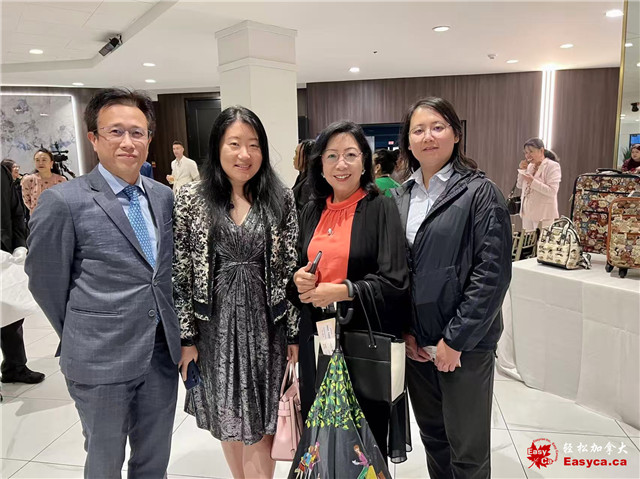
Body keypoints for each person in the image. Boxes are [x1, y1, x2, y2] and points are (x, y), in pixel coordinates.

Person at [25, 88, 180, 478]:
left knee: (154, 459)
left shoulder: (164, 197)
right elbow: (44, 281)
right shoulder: (64, 201)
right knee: (104, 461)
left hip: (159, 354)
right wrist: (82, 331)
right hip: (98, 359)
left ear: (149, 138)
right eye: (116, 132)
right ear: (93, 138)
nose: (128, 142)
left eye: (138, 132)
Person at [173, 106, 300, 479]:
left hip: (267, 328)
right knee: (226, 414)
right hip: (213, 330)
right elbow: (180, 272)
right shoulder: (191, 198)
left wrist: (293, 333)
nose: (245, 154)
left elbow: (290, 269)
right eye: (235, 144)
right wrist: (186, 338)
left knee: (263, 419)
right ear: (218, 147)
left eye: (254, 145)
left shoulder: (280, 198)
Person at [392, 97, 512, 478]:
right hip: (418, 347)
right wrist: (406, 331)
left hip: (464, 348)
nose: (428, 137)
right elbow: (398, 272)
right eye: (418, 130)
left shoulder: (480, 193)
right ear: (408, 141)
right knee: (435, 440)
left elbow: (491, 274)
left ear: (456, 135)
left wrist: (456, 340)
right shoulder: (400, 197)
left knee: (467, 453)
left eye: (438, 127)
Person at [291, 121, 409, 461]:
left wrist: (343, 290)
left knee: (363, 440)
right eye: (331, 156)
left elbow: (395, 281)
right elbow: (296, 275)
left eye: (350, 155)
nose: (340, 164)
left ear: (364, 162)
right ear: (320, 164)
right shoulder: (312, 209)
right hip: (317, 339)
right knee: (320, 435)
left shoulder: (380, 207)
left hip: (363, 340)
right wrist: (298, 280)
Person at [1, 161, 45, 385]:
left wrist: (19, 244)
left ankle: (15, 366)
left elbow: (16, 212)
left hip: (6, 254)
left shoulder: (2, 172)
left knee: (12, 313)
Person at [516, 137, 561, 230]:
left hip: (543, 215)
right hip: (527, 213)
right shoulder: (530, 166)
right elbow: (519, 185)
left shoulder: (552, 166)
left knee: (541, 239)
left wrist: (532, 181)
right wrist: (522, 171)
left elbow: (552, 191)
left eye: (531, 152)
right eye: (526, 153)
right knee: (527, 239)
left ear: (541, 151)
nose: (528, 156)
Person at [21, 148, 67, 213]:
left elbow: (64, 200)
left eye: (44, 160)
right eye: (37, 160)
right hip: (37, 216)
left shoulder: (61, 180)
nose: (40, 163)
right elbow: (27, 201)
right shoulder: (28, 180)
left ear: (51, 163)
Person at [292, 139, 315, 212]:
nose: (294, 158)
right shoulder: (301, 178)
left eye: (297, 154)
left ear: (306, 158)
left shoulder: (309, 184)